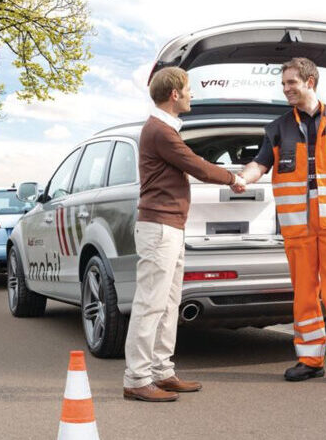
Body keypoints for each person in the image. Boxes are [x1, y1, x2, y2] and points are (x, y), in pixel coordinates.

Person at [236, 57, 326, 386]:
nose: (286, 89)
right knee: (305, 293)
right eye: (283, 84)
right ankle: (309, 359)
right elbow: (260, 164)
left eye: (291, 83)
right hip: (299, 226)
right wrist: (243, 178)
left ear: (310, 82)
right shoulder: (278, 127)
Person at [123, 67, 247, 402]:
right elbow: (197, 166)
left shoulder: (163, 128)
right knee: (150, 303)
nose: (192, 95)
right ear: (174, 94)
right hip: (159, 227)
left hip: (171, 227)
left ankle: (162, 372)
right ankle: (136, 378)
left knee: (168, 302)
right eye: (189, 89)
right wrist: (233, 178)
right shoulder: (160, 130)